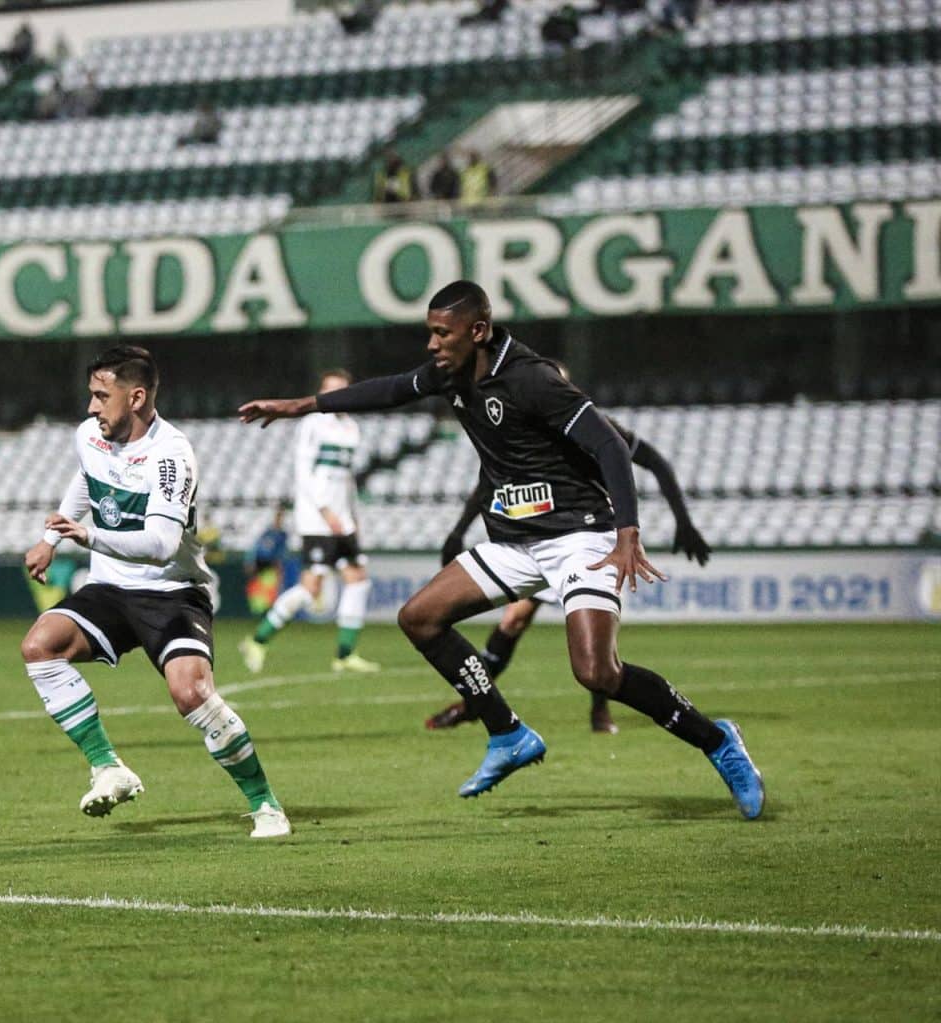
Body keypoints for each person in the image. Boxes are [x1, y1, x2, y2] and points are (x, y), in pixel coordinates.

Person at [238, 280, 765, 820]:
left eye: (443, 333)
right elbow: (391, 389)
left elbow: (610, 445)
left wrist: (628, 532)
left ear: (479, 331)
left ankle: (718, 740)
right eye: (430, 333)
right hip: (515, 542)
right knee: (419, 618)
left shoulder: (531, 379)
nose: (432, 344)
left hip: (579, 537)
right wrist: (302, 406)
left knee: (597, 673)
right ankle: (507, 733)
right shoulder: (450, 374)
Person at [23, 345, 291, 839]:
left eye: (102, 397)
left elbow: (163, 545)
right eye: (91, 395)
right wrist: (51, 539)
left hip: (171, 591)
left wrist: (89, 537)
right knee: (40, 647)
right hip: (108, 586)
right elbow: (86, 479)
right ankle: (108, 767)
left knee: (190, 693)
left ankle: (265, 804)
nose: (91, 407)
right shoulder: (91, 436)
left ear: (137, 397)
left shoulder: (172, 455)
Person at [429, 390, 714, 733]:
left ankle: (600, 712)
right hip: (538, 541)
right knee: (513, 622)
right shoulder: (519, 437)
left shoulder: (595, 427)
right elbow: (487, 487)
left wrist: (683, 521)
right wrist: (458, 530)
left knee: (594, 642)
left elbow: (655, 462)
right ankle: (474, 705)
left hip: (586, 539)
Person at [240, 369, 381, 676]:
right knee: (310, 589)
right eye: (329, 390)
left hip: (342, 519)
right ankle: (258, 639)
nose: (334, 397)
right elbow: (304, 474)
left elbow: (346, 481)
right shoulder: (312, 424)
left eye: (340, 390)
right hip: (317, 519)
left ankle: (345, 654)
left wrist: (352, 517)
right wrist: (326, 511)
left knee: (358, 581)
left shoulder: (351, 428)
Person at [244, 505, 291, 616]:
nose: (278, 520)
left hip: (272, 564)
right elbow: (257, 546)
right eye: (277, 517)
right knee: (258, 586)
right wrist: (250, 560)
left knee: (271, 586)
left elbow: (281, 551)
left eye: (280, 517)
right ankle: (257, 609)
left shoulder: (282, 534)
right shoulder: (267, 532)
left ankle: (269, 609)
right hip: (260, 562)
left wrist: (279, 565)